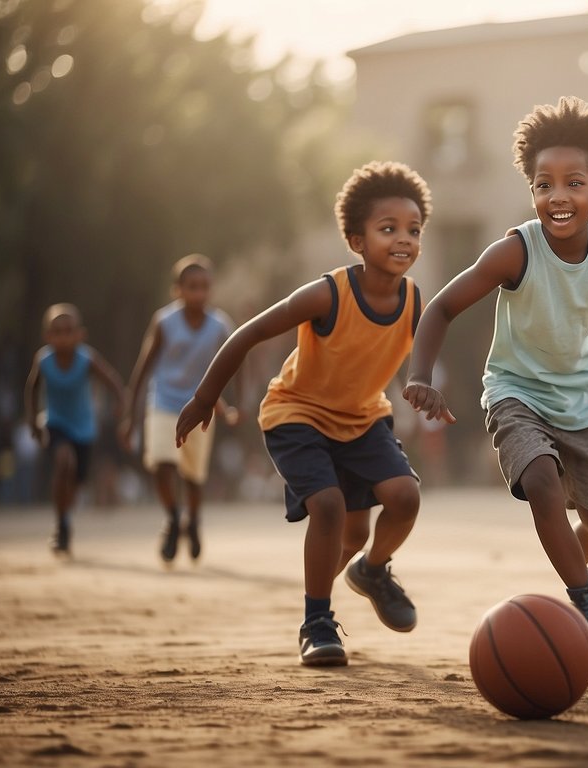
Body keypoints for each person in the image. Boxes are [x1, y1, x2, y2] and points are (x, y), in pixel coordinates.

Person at [402, 97, 588, 647]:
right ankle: (584, 594)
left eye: (573, 183)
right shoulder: (516, 251)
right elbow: (439, 307)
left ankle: (571, 572)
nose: (556, 196)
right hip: (516, 393)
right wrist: (422, 374)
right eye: (543, 184)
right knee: (540, 482)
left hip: (583, 401)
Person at [176, 161, 432, 667]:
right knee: (332, 512)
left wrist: (422, 387)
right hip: (298, 414)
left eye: (413, 230)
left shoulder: (413, 302)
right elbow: (247, 334)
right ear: (357, 240)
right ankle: (316, 622)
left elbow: (405, 360)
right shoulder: (328, 293)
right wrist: (206, 397)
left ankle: (372, 570)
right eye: (388, 229)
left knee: (400, 502)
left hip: (362, 419)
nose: (403, 239)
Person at [122, 255, 238, 565]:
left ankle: (194, 521)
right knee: (162, 465)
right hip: (163, 402)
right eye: (191, 287)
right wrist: (130, 416)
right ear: (178, 290)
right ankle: (174, 520)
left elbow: (235, 365)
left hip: (201, 406)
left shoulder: (220, 326)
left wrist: (230, 404)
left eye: (204, 287)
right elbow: (143, 367)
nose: (198, 293)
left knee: (193, 477)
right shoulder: (164, 322)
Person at [24, 304, 126, 556]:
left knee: (77, 482)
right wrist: (33, 421)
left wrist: (122, 406)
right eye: (57, 331)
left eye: (69, 330)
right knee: (63, 461)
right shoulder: (44, 360)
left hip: (84, 429)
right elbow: (32, 389)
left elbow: (112, 380)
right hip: (55, 423)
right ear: (48, 336)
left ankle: (65, 519)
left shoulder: (86, 359)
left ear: (80, 334)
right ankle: (61, 525)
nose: (63, 336)